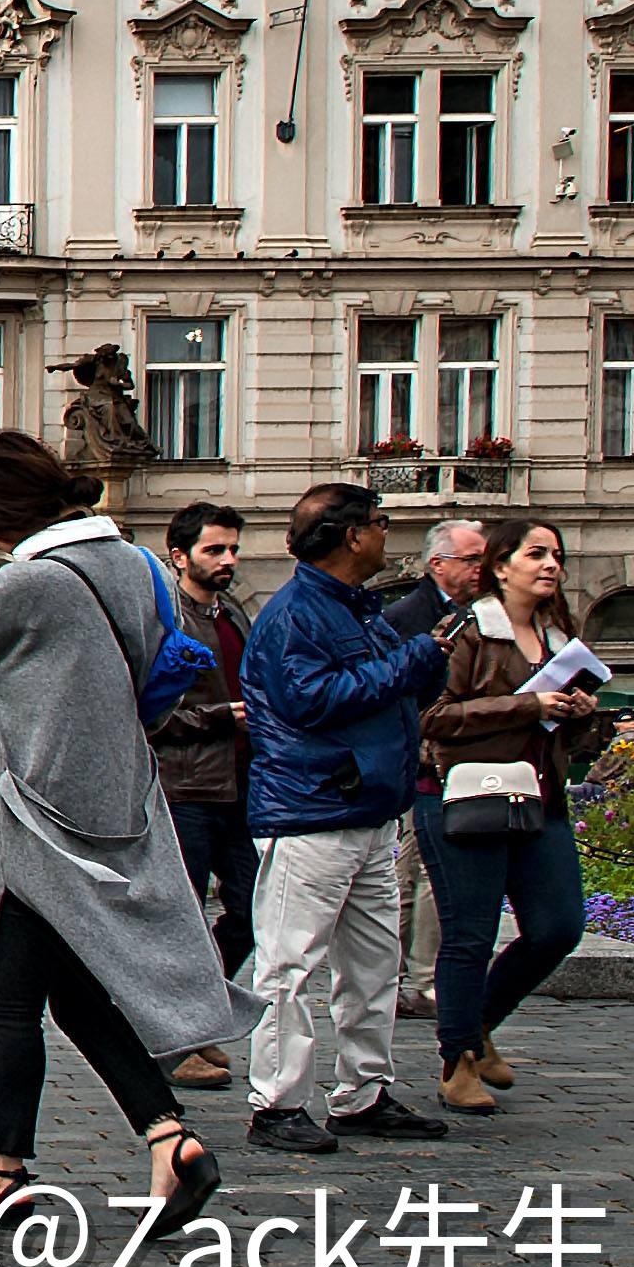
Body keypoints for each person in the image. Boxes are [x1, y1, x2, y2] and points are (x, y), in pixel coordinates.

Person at [0, 433, 236, 1239]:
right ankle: (166, 1140)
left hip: (39, 817)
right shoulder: (137, 565)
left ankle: (2, 1176)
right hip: (115, 804)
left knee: (6, 1003)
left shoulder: (34, 583)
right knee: (73, 994)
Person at [237, 481, 454, 1156]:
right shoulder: (298, 611)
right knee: (290, 965)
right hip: (314, 812)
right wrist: (416, 660)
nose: (389, 535)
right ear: (351, 534)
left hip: (362, 808)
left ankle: (363, 1092)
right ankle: (276, 1103)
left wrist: (424, 665)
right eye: (382, 523)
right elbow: (312, 700)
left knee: (372, 964)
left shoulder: (353, 608)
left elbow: (381, 685)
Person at [418, 518, 610, 1113]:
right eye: (536, 554)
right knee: (470, 934)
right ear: (501, 567)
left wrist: (582, 712)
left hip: (538, 798)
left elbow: (571, 740)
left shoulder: (560, 636)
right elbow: (433, 716)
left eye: (556, 555)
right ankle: (457, 1063)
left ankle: (476, 1029)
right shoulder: (470, 629)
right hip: (462, 796)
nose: (551, 564)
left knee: (557, 928)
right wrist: (527, 704)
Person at [148, 501, 256, 1088]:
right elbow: (149, 710)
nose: (228, 560)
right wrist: (220, 717)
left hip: (239, 783)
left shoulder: (232, 612)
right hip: (186, 783)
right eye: (215, 549)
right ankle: (174, 1042)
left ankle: (199, 1018)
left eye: (232, 549)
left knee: (248, 912)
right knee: (183, 916)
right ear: (179, 555)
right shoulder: (168, 618)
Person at [382, 517, 495, 1020]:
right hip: (419, 759)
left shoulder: (480, 613)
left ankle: (410, 977)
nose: (480, 569)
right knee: (412, 872)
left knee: (416, 872)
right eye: (472, 559)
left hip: (455, 759)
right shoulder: (411, 613)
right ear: (438, 564)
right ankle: (414, 979)